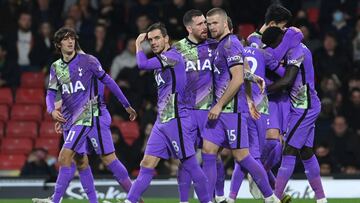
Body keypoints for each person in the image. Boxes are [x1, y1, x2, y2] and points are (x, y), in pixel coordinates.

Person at [40, 27, 137, 203]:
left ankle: (134, 196)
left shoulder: (89, 62)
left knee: (105, 159)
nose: (71, 42)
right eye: (66, 39)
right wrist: (55, 111)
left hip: (93, 116)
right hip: (73, 119)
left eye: (73, 39)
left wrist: (126, 105)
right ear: (58, 44)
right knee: (80, 160)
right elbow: (57, 93)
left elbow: (107, 82)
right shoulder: (57, 67)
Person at [124, 22, 211, 203]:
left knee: (191, 165)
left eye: (157, 38)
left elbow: (142, 64)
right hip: (162, 121)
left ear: (166, 39)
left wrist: (139, 45)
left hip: (177, 119)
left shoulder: (172, 56)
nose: (153, 42)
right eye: (150, 40)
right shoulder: (162, 60)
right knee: (146, 164)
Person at [201, 8, 280, 203]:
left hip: (231, 112)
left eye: (214, 23)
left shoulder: (231, 44)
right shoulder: (222, 45)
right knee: (209, 152)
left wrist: (219, 105)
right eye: (208, 24)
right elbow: (242, 72)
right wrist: (253, 80)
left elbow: (236, 79)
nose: (211, 27)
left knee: (243, 157)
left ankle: (271, 197)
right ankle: (214, 199)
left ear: (226, 24)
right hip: (220, 113)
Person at [262, 26, 327, 203]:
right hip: (302, 105)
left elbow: (287, 80)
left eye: (274, 44)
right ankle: (321, 199)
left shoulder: (297, 50)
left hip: (305, 106)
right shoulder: (294, 45)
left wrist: (263, 91)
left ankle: (275, 197)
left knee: (289, 150)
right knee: (305, 152)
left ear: (279, 40)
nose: (274, 48)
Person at [172, 9, 224, 203]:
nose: (206, 27)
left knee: (213, 156)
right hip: (186, 113)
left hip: (209, 111)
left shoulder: (214, 46)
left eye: (206, 23)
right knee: (186, 160)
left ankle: (214, 198)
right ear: (189, 28)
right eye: (201, 24)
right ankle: (184, 201)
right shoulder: (176, 50)